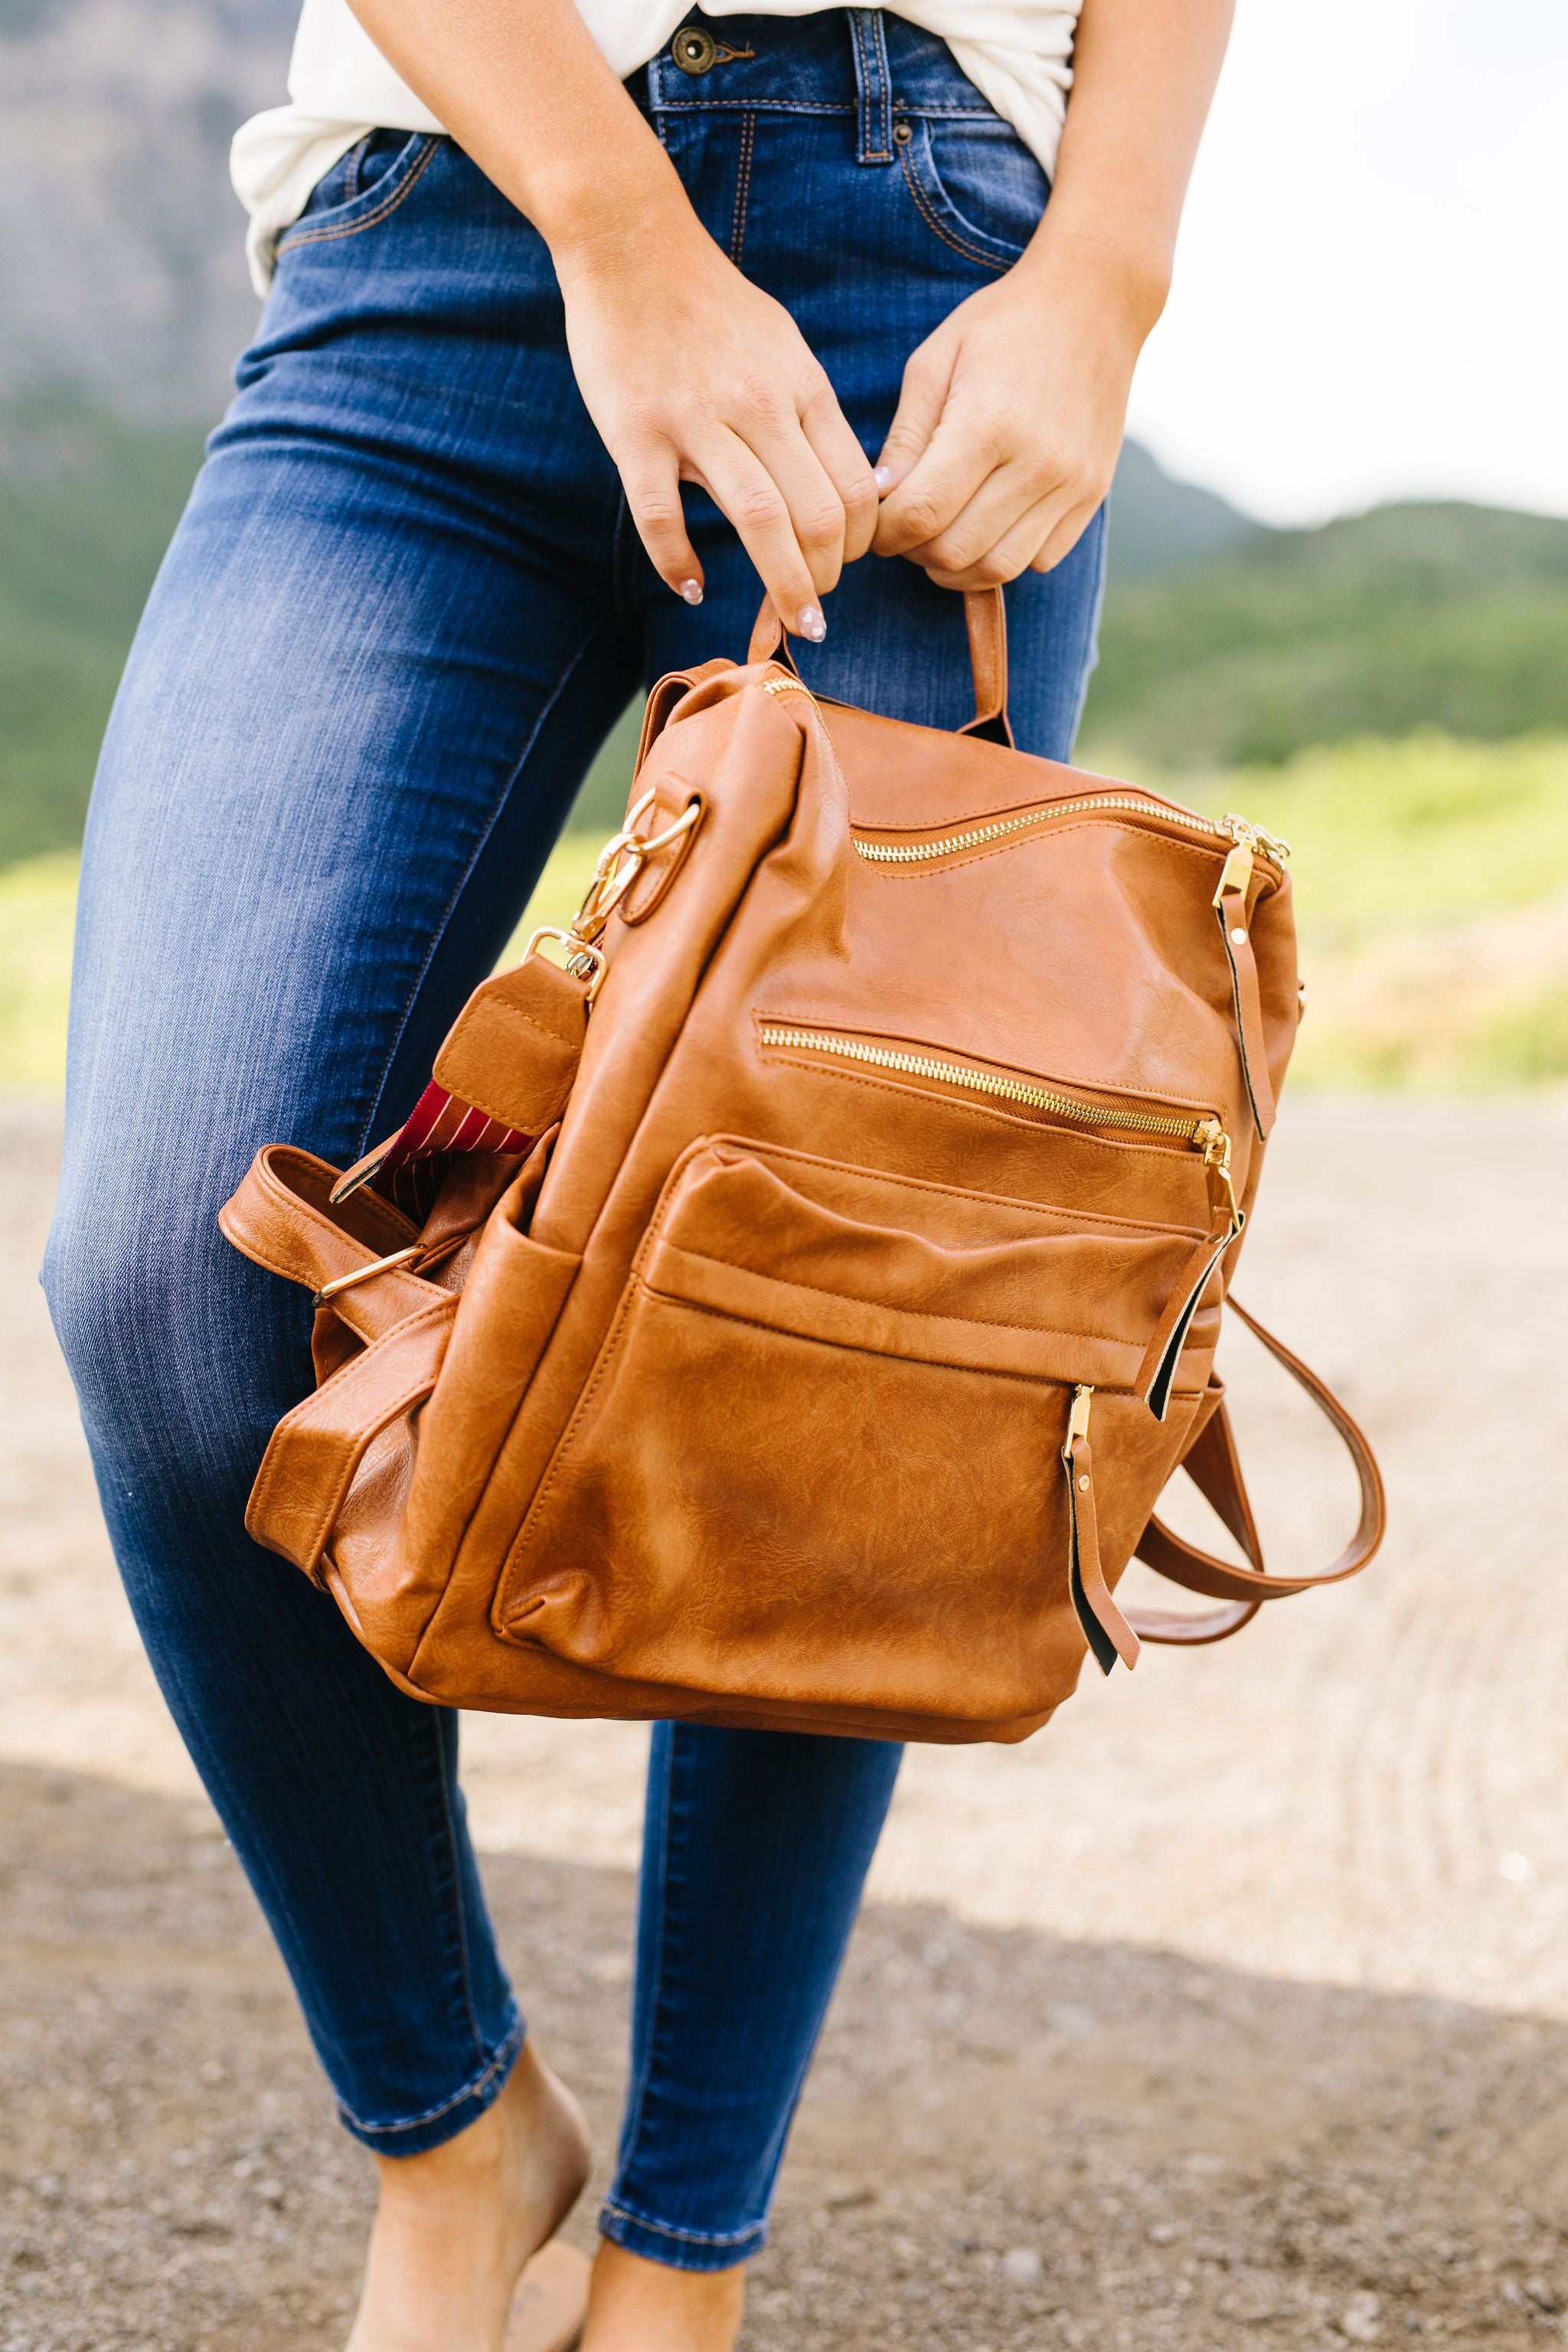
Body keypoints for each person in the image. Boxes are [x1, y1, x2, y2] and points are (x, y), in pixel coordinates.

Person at [42, 4, 1233, 2347]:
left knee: (841, 1338)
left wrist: (1108, 275)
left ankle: (685, 2256)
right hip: (431, 250)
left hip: (932, 267)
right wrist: (619, 225)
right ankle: (455, 2128)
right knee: (167, 1278)